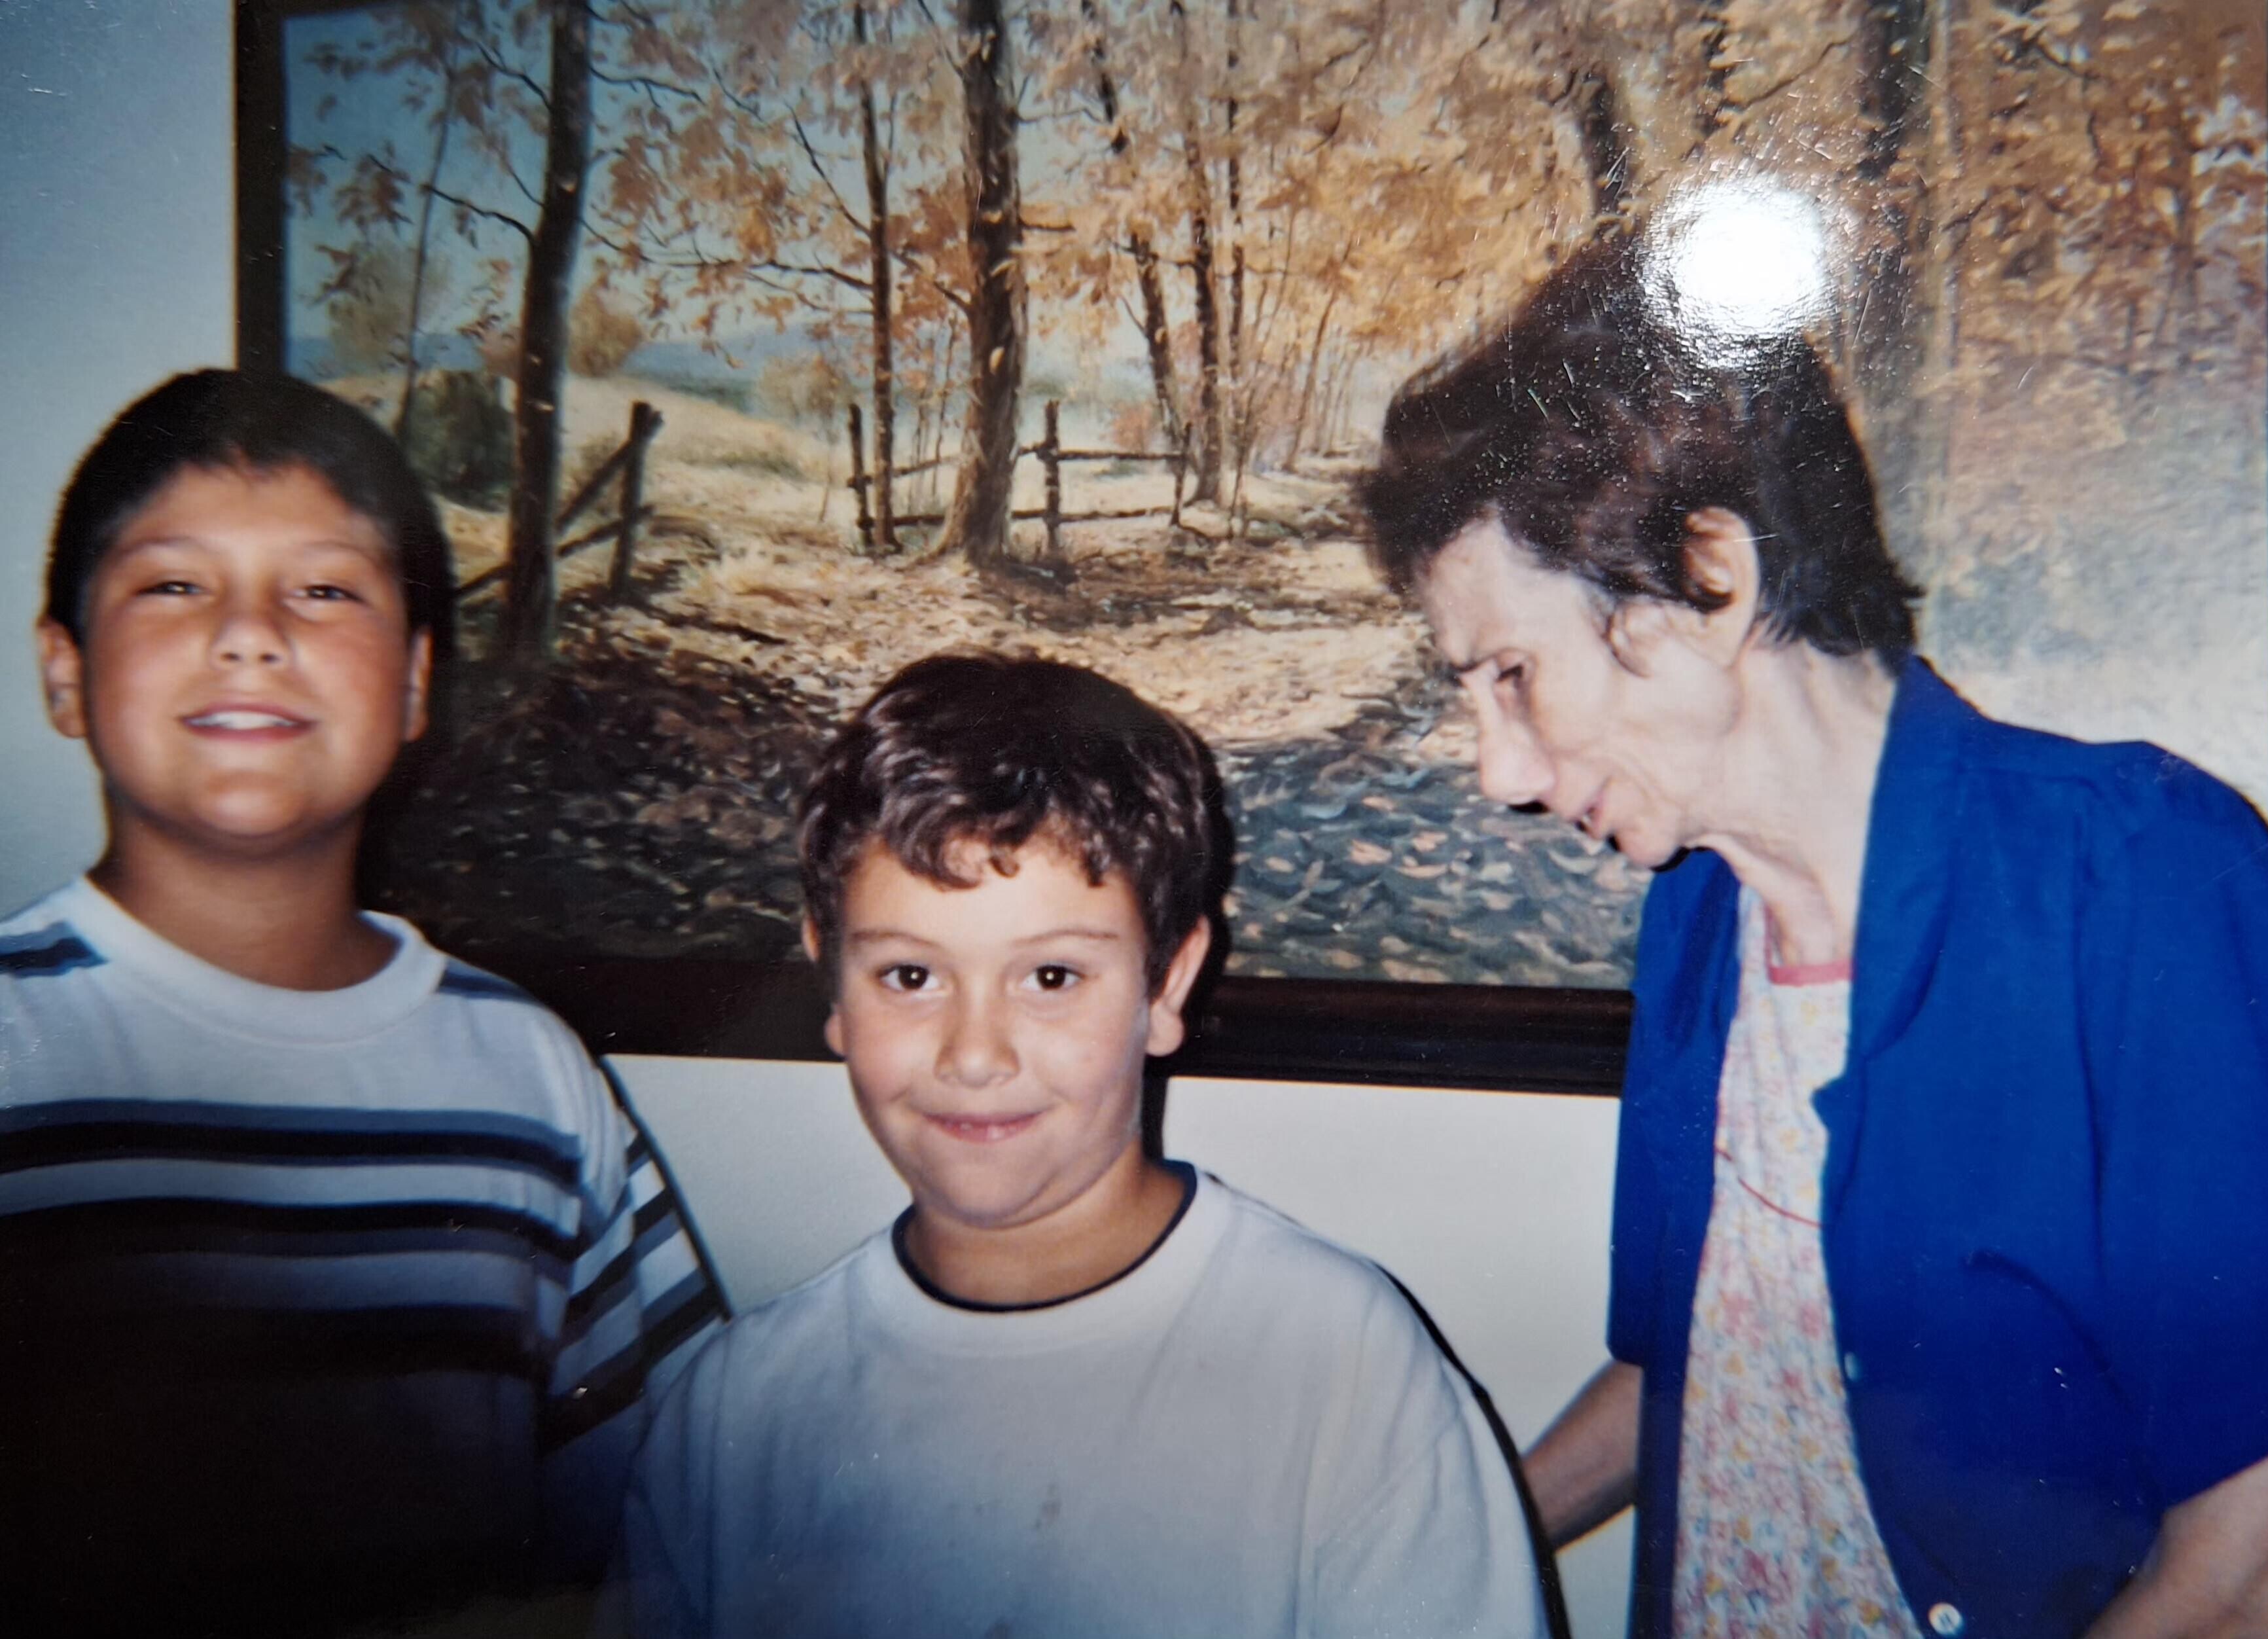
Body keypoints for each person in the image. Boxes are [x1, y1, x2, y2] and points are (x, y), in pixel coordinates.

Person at [1355, 234, 2268, 1639]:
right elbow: (1696, 1364)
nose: (1498, 772)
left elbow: (2267, 1578)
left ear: (1709, 577)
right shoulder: (1700, 910)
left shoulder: (2133, 880)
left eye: (1512, 675)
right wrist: (1440, 1542)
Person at [601, 653, 1553, 1639]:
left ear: (1166, 985)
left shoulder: (1341, 1367)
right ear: (830, 980)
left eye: (1051, 977)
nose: (975, 1056)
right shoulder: (735, 1408)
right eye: (909, 977)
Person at [0, 370, 724, 1636]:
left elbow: (652, 1528)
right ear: (64, 672)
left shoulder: (535, 1078)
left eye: (326, 590)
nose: (251, 633)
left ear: (413, 683)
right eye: (174, 585)